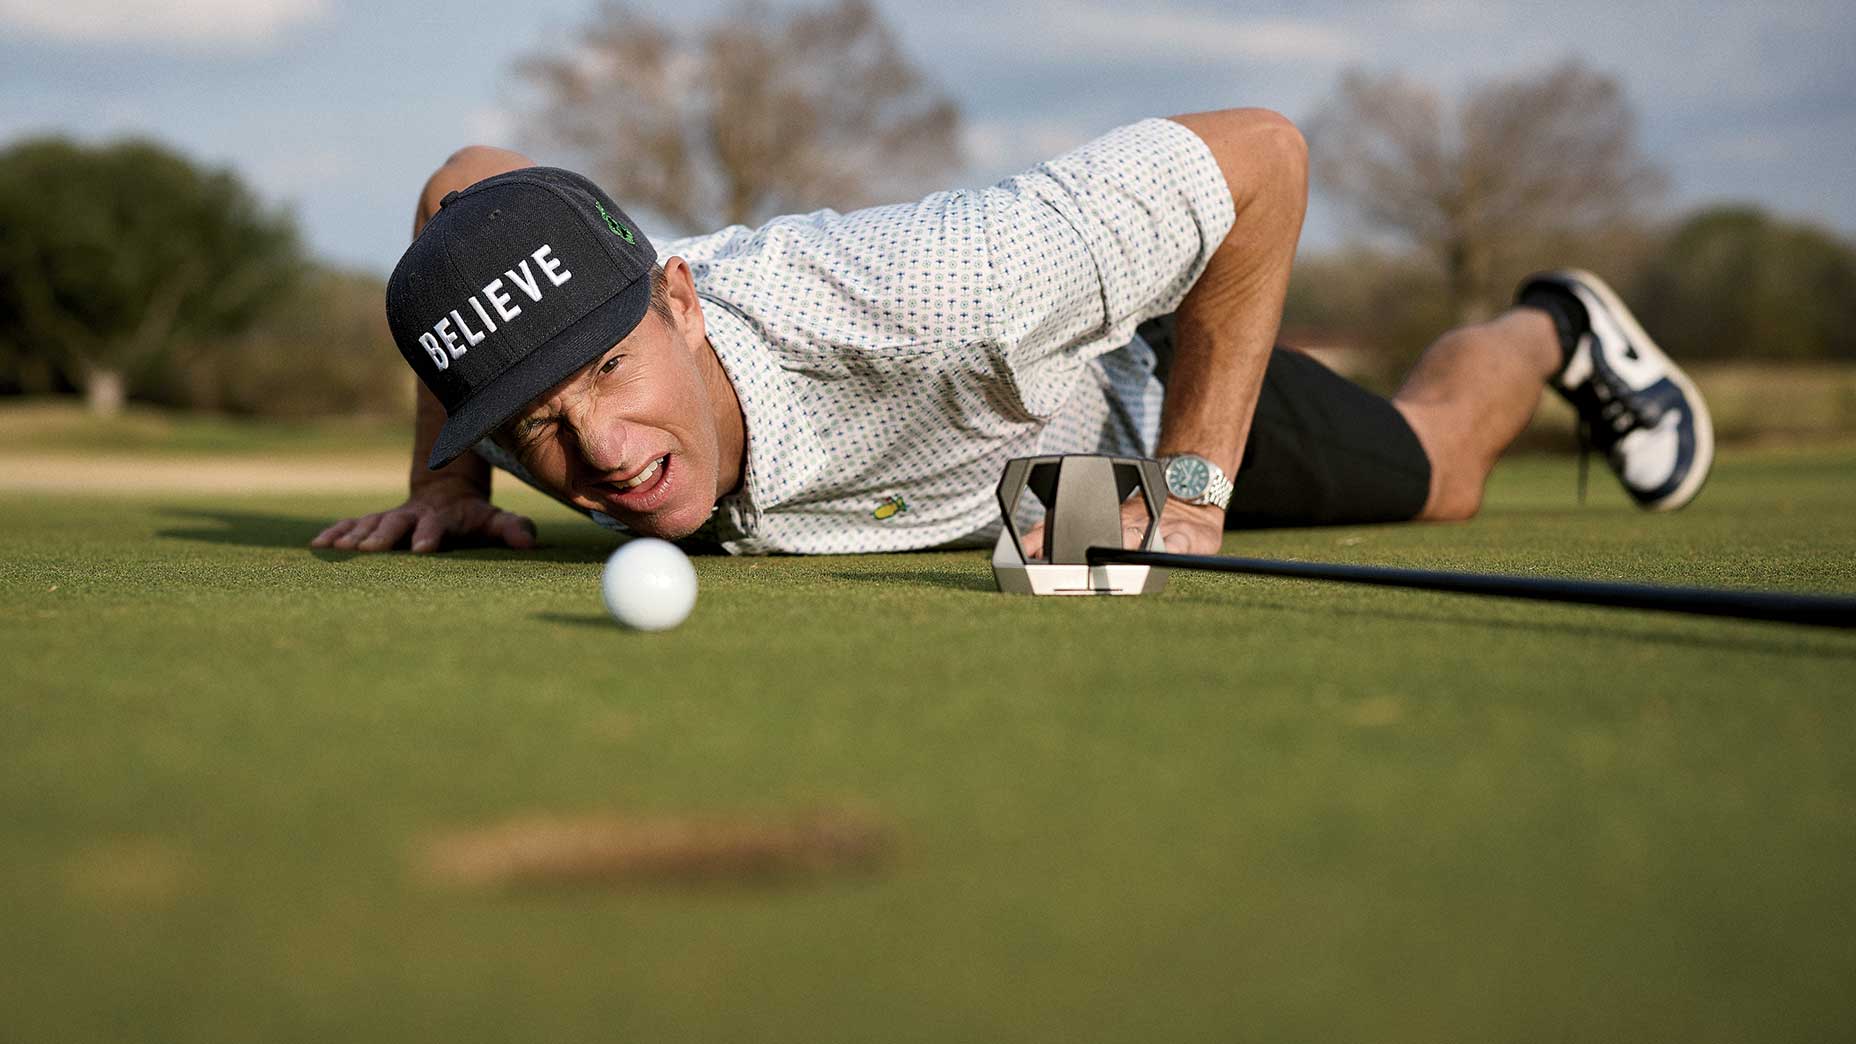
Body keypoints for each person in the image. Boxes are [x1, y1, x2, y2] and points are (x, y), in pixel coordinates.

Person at [310, 108, 1711, 558]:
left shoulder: (950, 283)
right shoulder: (560, 365)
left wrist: (1193, 491)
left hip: (1121, 421)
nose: (601, 451)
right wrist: (450, 479)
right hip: (992, 492)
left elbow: (1266, 161)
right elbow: (461, 189)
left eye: (609, 368)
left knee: (1443, 470)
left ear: (677, 298)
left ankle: (1555, 325)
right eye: (532, 422)